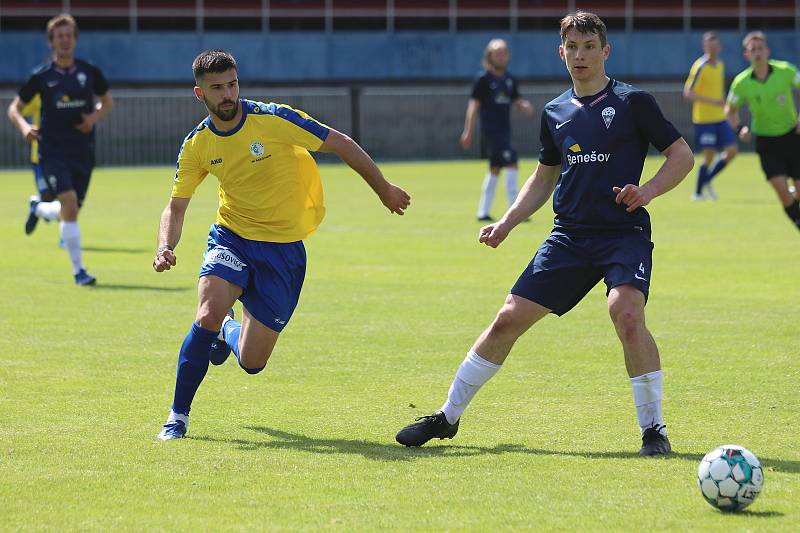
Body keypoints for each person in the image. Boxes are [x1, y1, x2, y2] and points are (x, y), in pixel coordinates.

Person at [396, 12, 694, 456]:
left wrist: (647, 190)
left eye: (589, 47)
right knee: (506, 319)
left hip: (622, 233)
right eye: (572, 47)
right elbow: (543, 177)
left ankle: (653, 430)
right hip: (569, 237)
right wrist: (506, 222)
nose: (580, 56)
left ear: (605, 51)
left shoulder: (634, 103)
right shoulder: (556, 112)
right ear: (561, 52)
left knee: (627, 315)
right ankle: (447, 417)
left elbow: (681, 155)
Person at [153, 50, 411, 441]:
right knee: (206, 313)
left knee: (253, 362)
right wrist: (164, 246)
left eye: (232, 84)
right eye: (217, 88)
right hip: (232, 237)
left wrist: (384, 189)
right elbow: (176, 205)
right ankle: (178, 416)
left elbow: (340, 143)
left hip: (283, 251)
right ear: (199, 93)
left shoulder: (273, 119)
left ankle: (227, 330)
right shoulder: (198, 145)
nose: (227, 94)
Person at [7, 13, 113, 285]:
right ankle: (79, 271)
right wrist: (24, 127)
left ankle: (39, 208)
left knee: (71, 209)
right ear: (51, 42)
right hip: (52, 150)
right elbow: (14, 109)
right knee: (68, 202)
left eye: (69, 35)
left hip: (83, 151)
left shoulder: (89, 72)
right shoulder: (41, 76)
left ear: (75, 39)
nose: (64, 40)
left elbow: (107, 103)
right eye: (59, 36)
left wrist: (93, 117)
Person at [726, 31, 800, 232]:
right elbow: (730, 110)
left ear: (767, 51)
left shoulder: (786, 70)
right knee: (784, 194)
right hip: (767, 143)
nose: (757, 53)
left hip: (792, 137)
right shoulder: (741, 82)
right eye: (753, 50)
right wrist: (740, 128)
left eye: (760, 48)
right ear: (747, 55)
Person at [460, 38, 534, 222]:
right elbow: (473, 106)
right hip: (492, 133)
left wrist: (523, 105)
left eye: (504, 52)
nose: (501, 55)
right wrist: (468, 131)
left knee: (494, 169)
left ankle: (482, 212)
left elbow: (515, 99)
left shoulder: (509, 80)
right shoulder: (483, 79)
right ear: (489, 55)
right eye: (497, 52)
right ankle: (515, 210)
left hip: (505, 130)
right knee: (512, 163)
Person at [684, 31, 737, 201]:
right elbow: (688, 93)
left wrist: (724, 106)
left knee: (732, 150)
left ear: (719, 47)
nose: (712, 48)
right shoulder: (700, 66)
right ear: (704, 47)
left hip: (720, 117)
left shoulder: (720, 65)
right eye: (709, 45)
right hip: (704, 119)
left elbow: (718, 90)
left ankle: (706, 180)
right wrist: (712, 101)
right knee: (708, 157)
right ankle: (697, 193)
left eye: (715, 45)